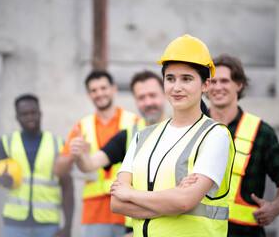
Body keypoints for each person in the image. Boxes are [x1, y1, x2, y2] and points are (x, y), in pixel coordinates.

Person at [110, 34, 236, 237]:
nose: (177, 87)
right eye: (170, 79)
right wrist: (171, 200)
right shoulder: (142, 136)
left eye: (186, 79)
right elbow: (116, 203)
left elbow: (185, 201)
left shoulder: (215, 135)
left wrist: (131, 194)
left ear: (205, 85)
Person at [64, 70, 168, 236]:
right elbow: (90, 164)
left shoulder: (184, 129)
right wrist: (81, 155)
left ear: (165, 94)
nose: (148, 102)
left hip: (175, 222)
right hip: (135, 224)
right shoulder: (130, 134)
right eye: (141, 97)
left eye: (152, 95)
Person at [207, 53, 279, 237]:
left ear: (239, 85)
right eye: (213, 82)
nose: (217, 87)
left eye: (224, 81)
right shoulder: (191, 127)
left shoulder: (261, 132)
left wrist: (277, 207)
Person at [0, 94, 73, 237]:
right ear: (17, 117)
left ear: (40, 113)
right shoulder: (7, 143)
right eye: (24, 114)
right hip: (15, 225)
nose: (29, 117)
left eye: (33, 112)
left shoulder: (57, 144)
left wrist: (68, 227)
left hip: (48, 225)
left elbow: (67, 186)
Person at [54, 71, 138, 237]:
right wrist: (75, 153)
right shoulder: (82, 127)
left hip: (129, 212)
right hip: (94, 215)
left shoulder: (134, 122)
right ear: (88, 95)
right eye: (94, 90)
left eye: (103, 88)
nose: (99, 93)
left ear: (114, 89)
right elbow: (59, 170)